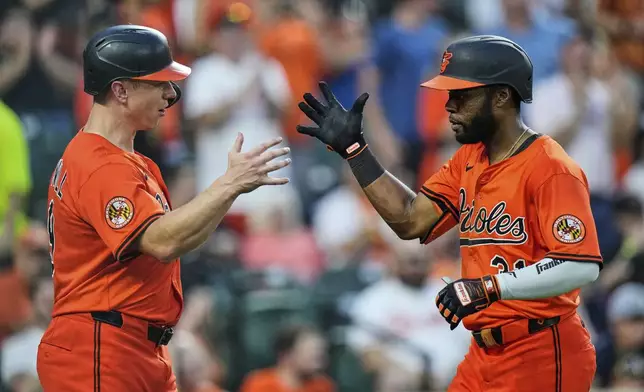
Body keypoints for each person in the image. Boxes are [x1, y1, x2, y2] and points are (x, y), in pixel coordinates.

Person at [296, 35, 601, 391]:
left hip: (542, 348)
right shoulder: (469, 159)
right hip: (483, 355)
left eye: (462, 95)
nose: (449, 106)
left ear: (501, 96)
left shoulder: (550, 166)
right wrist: (355, 151)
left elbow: (580, 264)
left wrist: (489, 286)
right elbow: (410, 220)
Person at [36, 25, 291, 392]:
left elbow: (181, 240)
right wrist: (229, 184)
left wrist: (230, 190)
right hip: (99, 345)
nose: (171, 95)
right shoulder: (100, 164)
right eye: (159, 83)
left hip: (134, 345)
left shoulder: (132, 162)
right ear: (120, 90)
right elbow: (162, 242)